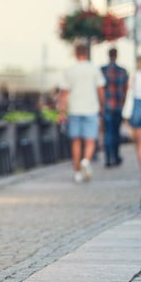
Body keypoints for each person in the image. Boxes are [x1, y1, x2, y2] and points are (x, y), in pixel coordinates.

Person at [57, 43, 105, 183]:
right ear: (87, 53)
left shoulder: (70, 70)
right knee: (90, 140)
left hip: (74, 109)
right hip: (91, 108)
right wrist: (102, 105)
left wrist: (62, 111)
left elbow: (64, 93)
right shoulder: (93, 69)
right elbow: (101, 90)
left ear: (75, 53)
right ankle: (86, 161)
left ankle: (77, 172)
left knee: (76, 141)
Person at [100, 47, 128, 167]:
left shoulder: (102, 70)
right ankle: (115, 157)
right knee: (116, 133)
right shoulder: (122, 71)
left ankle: (108, 158)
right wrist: (123, 104)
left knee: (108, 133)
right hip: (118, 106)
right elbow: (125, 90)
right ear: (116, 55)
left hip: (106, 106)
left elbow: (99, 90)